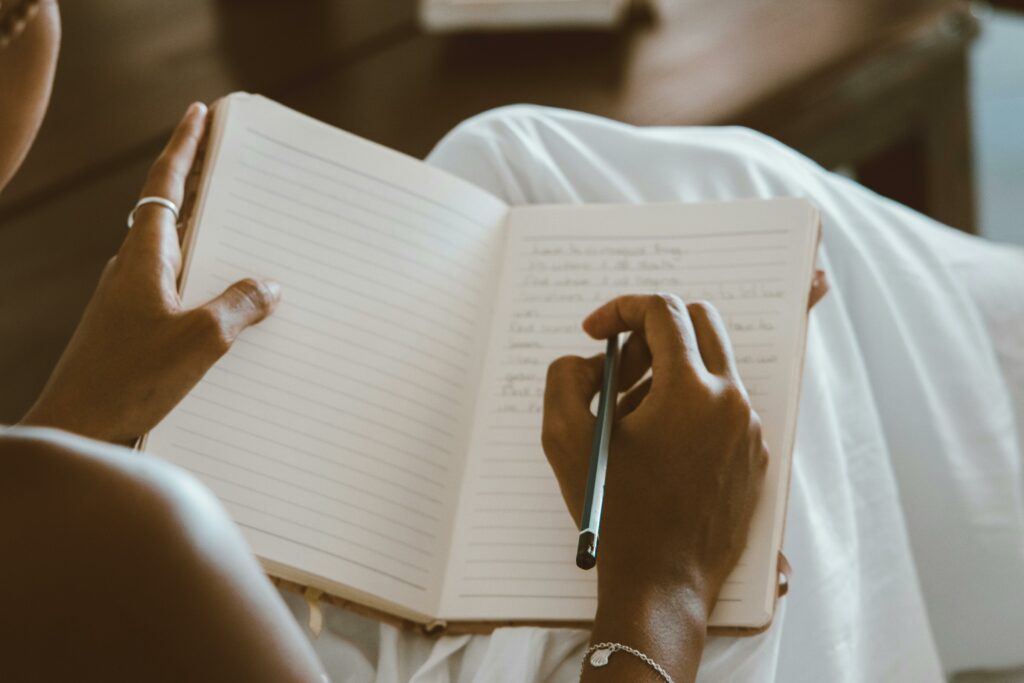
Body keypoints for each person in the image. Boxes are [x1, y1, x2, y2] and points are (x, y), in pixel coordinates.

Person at [3, 2, 1024, 683]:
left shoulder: (73, 499)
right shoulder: (131, 536)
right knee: (749, 400)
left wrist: (73, 420)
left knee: (518, 162)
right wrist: (660, 585)